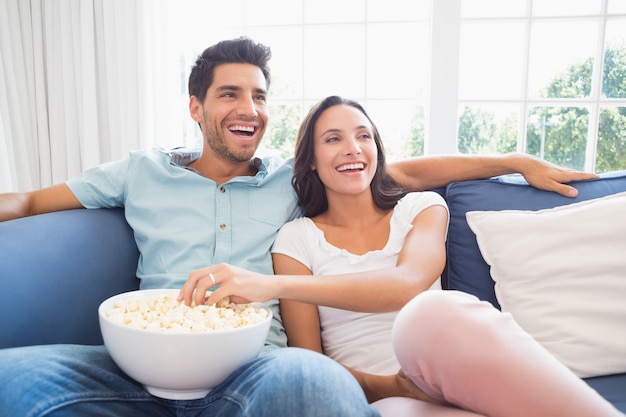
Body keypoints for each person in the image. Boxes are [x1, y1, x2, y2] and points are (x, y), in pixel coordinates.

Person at [0, 36, 598, 417]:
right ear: (195, 107)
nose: (249, 109)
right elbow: (27, 202)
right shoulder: (140, 171)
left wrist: (515, 161)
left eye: (259, 97)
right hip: (142, 357)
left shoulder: (291, 182)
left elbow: (400, 170)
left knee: (316, 386)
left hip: (256, 363)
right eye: (229, 94)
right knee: (12, 377)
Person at [180, 96, 623, 417]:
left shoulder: (419, 207)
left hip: (458, 365)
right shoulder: (296, 240)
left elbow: (408, 284)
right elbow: (311, 363)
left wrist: (513, 161)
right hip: (388, 395)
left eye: (363, 137)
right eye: (333, 139)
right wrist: (391, 385)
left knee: (430, 310)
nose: (353, 148)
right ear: (312, 161)